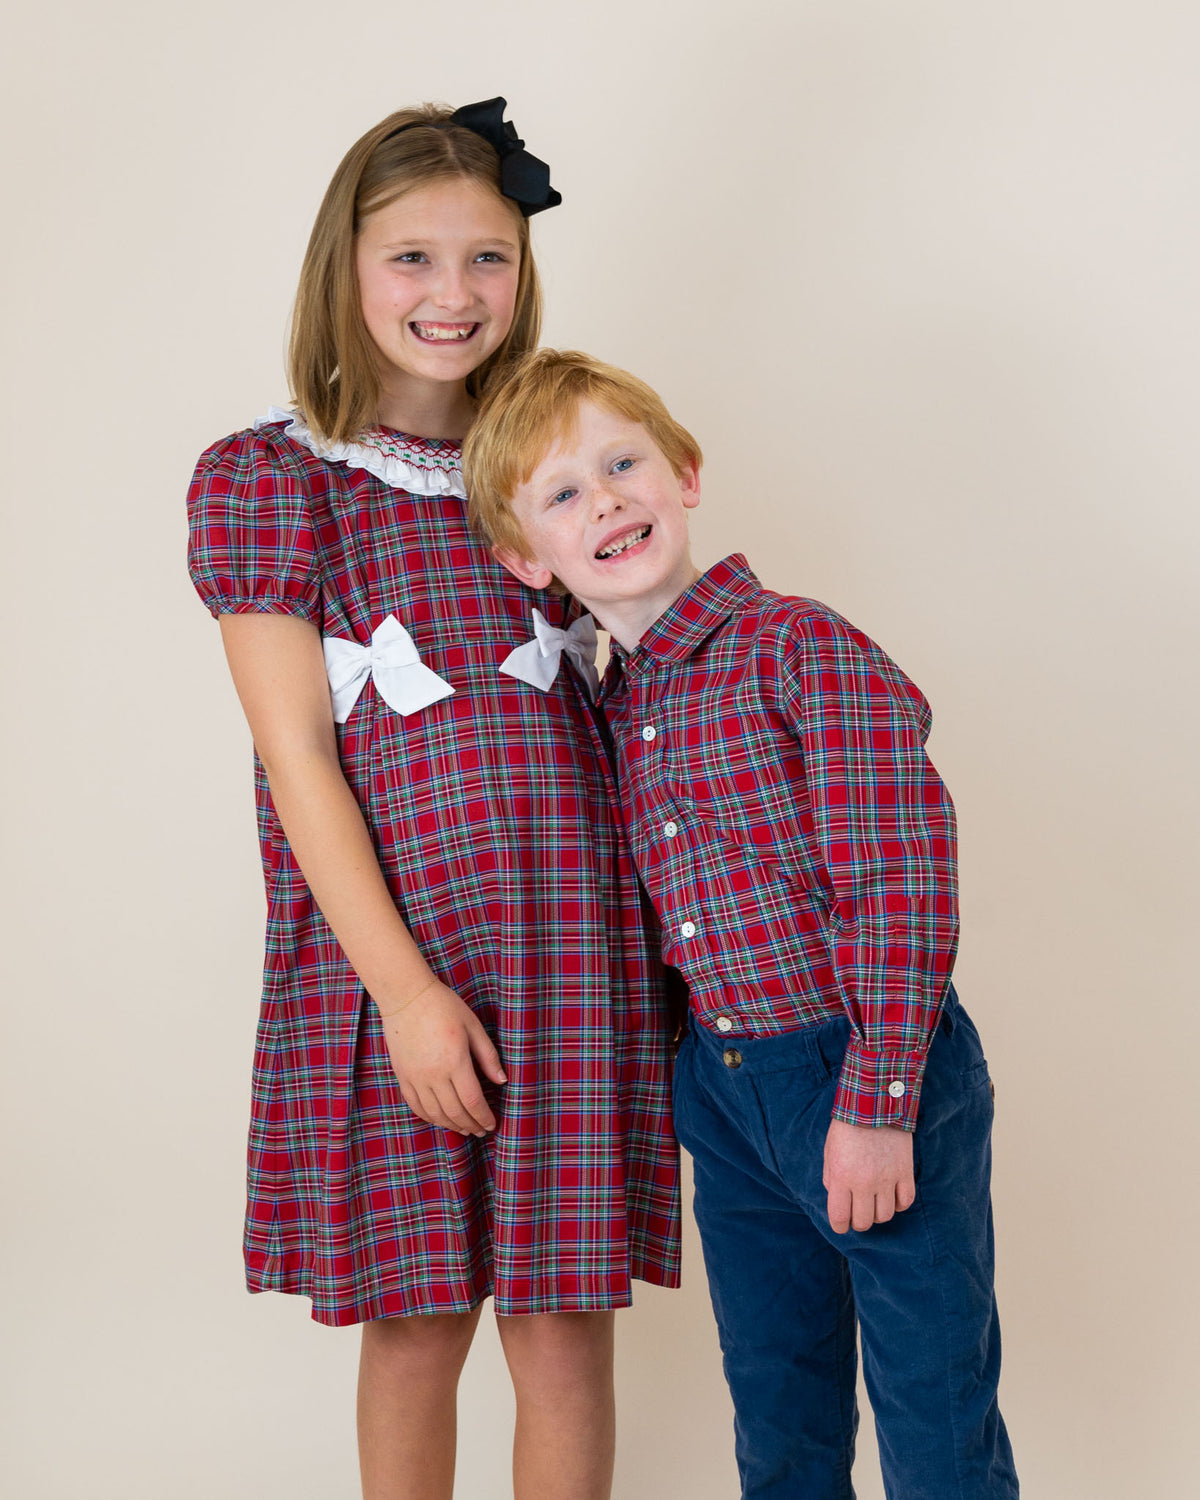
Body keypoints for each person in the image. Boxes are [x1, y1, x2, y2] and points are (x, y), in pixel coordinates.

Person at [186, 106, 680, 1500]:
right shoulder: (275, 482)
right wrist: (404, 993)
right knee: (415, 1331)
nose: (453, 296)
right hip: (398, 966)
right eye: (412, 258)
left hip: (575, 960)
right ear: (342, 266)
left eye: (488, 259)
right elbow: (298, 760)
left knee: (566, 1338)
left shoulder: (542, 473)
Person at [464, 348, 1020, 1499]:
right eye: (564, 494)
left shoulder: (798, 648)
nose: (606, 499)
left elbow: (901, 879)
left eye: (624, 464)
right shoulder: (614, 708)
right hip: (723, 1090)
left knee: (933, 1409)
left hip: (863, 1062)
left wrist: (876, 1104)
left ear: (685, 474)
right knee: (777, 1406)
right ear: (529, 558)